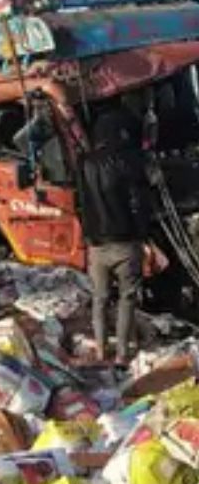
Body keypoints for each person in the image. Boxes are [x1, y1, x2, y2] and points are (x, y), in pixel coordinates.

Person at [76, 106, 153, 365]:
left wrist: (88, 236)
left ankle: (100, 350)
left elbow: (82, 202)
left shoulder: (85, 163)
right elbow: (138, 201)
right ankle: (121, 354)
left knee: (99, 299)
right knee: (127, 299)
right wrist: (143, 234)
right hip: (125, 243)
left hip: (97, 246)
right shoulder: (127, 160)